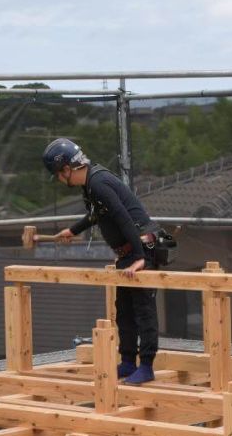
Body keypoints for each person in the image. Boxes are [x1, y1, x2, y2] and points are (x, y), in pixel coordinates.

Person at [43, 138, 161, 384]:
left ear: (66, 169)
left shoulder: (97, 182)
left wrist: (139, 257)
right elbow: (98, 213)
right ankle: (128, 362)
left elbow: (123, 217)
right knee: (125, 311)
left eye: (57, 174)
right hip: (128, 252)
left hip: (141, 248)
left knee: (143, 310)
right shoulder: (91, 184)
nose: (59, 179)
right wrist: (74, 230)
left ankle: (146, 366)